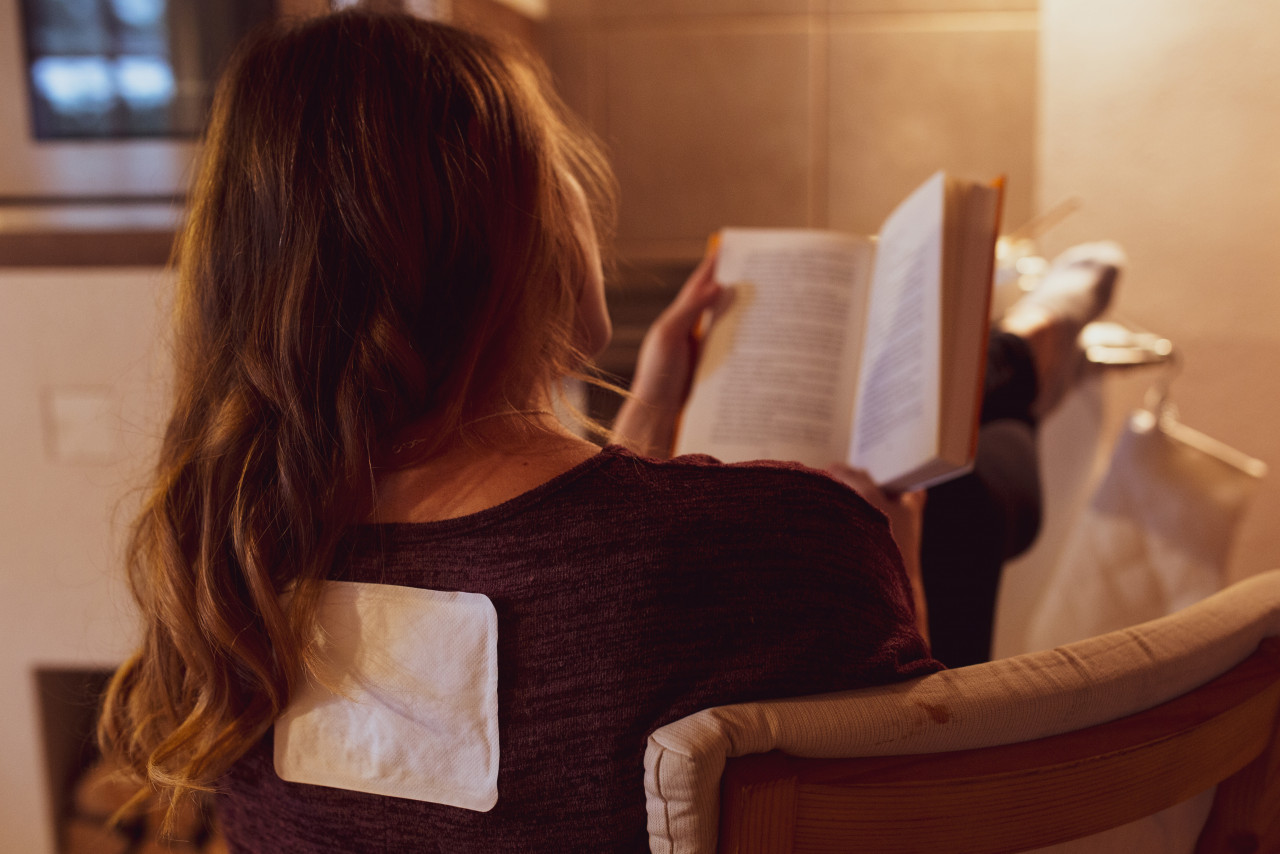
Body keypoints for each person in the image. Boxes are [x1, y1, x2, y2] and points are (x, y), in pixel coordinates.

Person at [97, 11, 939, 852]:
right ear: (512, 228)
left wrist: (640, 436)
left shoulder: (228, 571)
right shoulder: (792, 545)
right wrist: (894, 570)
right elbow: (923, 820)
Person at [617, 239, 1124, 668]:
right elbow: (925, 729)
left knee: (955, 458)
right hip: (894, 767)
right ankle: (1025, 347)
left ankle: (1027, 356)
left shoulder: (563, 525)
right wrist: (894, 557)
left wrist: (649, 411)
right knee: (957, 493)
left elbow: (610, 552)